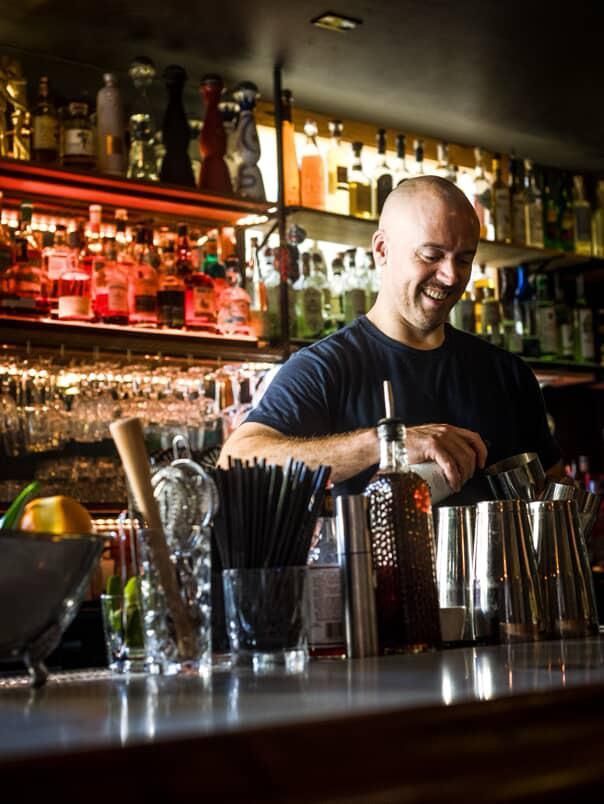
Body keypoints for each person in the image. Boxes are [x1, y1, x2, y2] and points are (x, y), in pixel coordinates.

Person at [220, 176, 563, 504]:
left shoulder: (507, 373)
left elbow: (552, 493)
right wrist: (387, 444)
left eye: (464, 259)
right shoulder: (325, 367)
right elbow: (236, 461)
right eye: (431, 255)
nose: (451, 276)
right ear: (382, 249)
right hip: (373, 565)